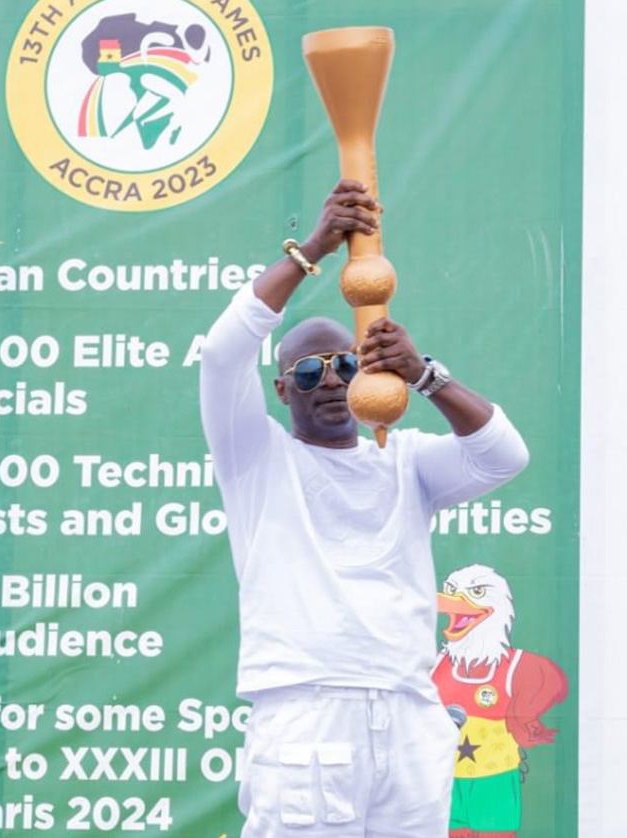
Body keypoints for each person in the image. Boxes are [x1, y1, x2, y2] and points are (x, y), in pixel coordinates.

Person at [199, 179, 529, 837]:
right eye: (309, 372)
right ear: (280, 386)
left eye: (345, 365)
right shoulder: (257, 457)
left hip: (409, 711)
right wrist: (311, 250)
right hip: (308, 707)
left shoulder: (406, 462)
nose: (331, 382)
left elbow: (504, 457)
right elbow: (220, 355)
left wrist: (424, 375)